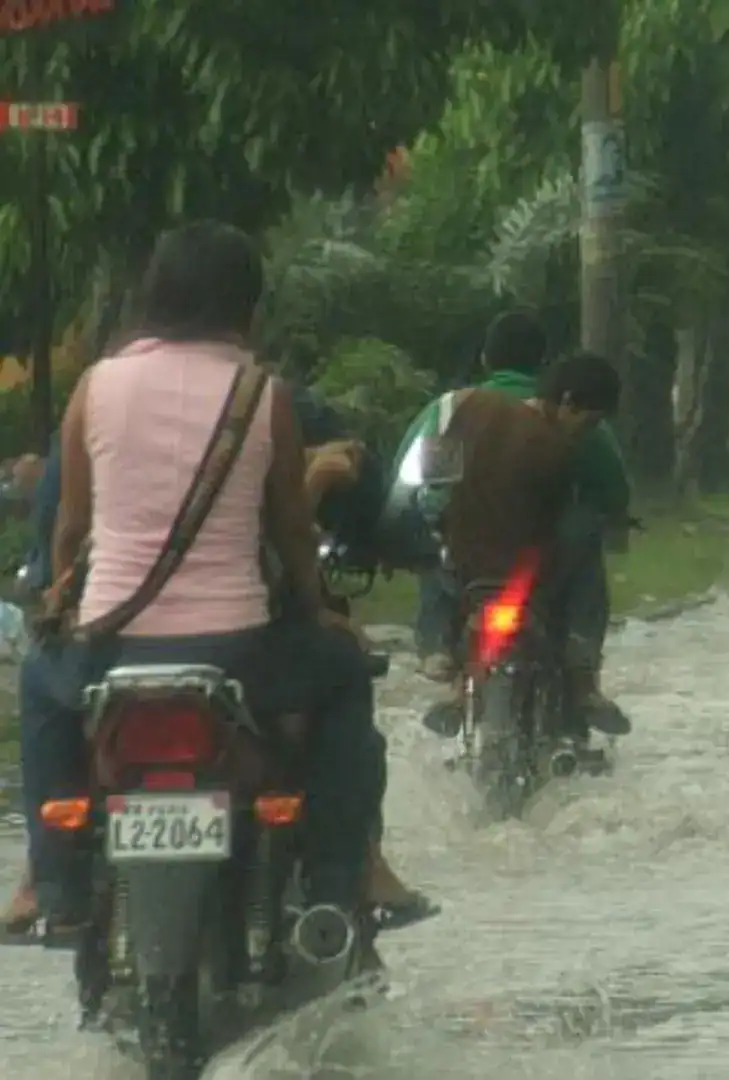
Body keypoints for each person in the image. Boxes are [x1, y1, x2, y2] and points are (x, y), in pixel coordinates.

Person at [2, 222, 399, 933]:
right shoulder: (262, 395)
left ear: (153, 296)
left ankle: (52, 884)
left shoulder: (95, 388)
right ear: (247, 309)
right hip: (238, 655)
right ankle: (342, 881)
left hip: (109, 648)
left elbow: (69, 525)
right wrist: (318, 610)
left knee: (39, 681)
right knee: (345, 673)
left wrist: (65, 587)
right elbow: (289, 532)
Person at [397, 312, 631, 684]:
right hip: (532, 562)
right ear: (543, 364)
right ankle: (582, 651)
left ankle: (434, 645)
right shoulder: (576, 433)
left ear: (486, 360)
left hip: (466, 558)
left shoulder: (452, 408)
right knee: (586, 532)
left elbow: (412, 482)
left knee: (433, 533)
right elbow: (611, 493)